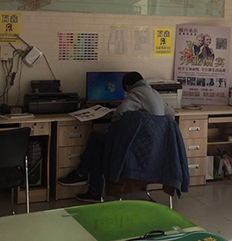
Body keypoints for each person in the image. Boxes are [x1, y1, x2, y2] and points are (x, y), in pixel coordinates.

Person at [57, 72, 175, 202]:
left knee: (95, 137)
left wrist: (115, 124)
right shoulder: (154, 93)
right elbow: (171, 112)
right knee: (100, 148)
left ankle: (84, 177)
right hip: (153, 152)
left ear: (128, 86)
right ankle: (92, 188)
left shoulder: (136, 93)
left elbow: (120, 111)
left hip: (135, 151)